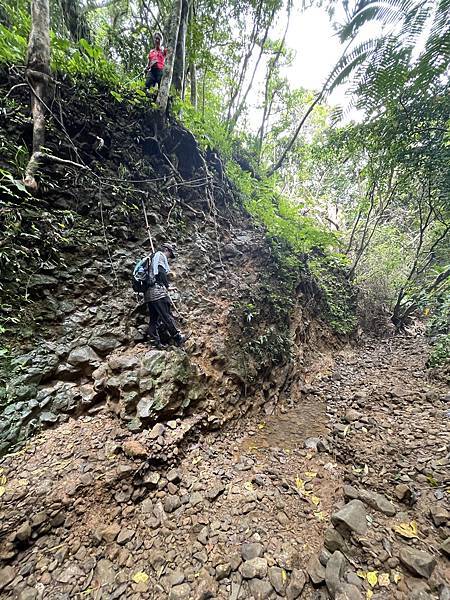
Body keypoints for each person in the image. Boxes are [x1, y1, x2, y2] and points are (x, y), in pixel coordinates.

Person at [144, 243, 186, 348]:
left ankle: (155, 342)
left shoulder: (152, 257)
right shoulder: (160, 256)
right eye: (170, 254)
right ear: (166, 250)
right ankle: (177, 338)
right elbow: (161, 272)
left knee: (154, 319)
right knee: (166, 315)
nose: (169, 257)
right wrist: (167, 286)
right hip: (158, 293)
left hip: (148, 294)